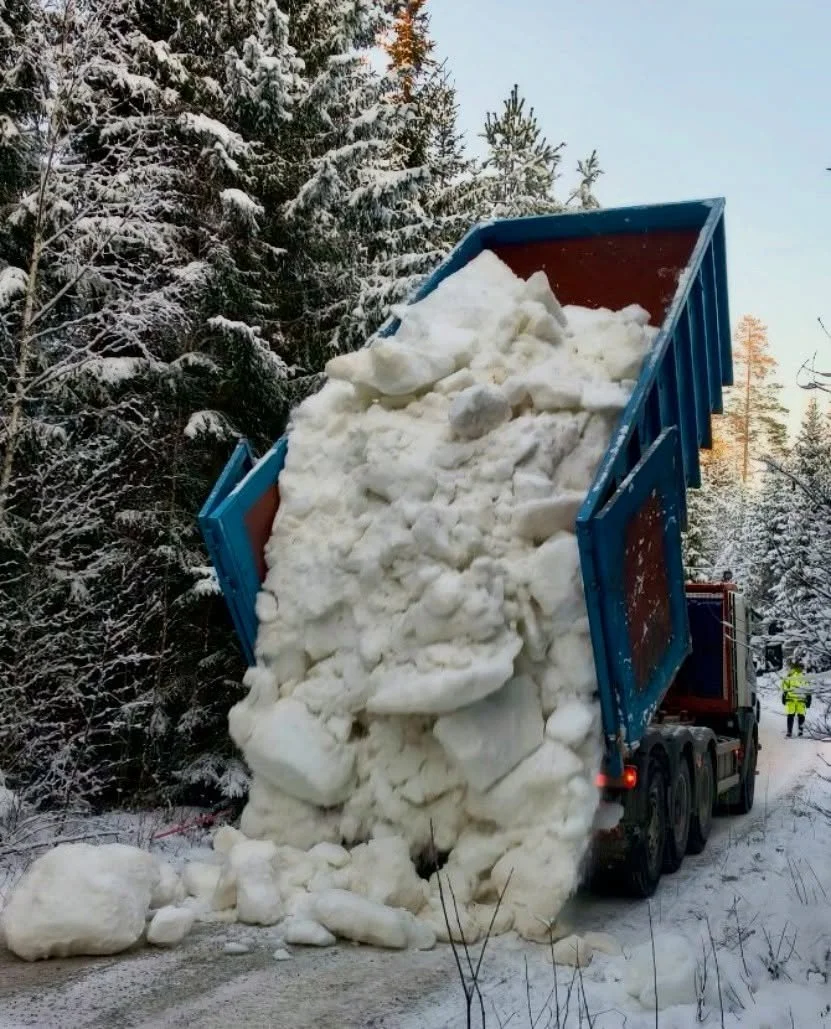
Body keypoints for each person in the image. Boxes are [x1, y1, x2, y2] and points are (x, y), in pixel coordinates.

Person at [782, 661, 812, 737]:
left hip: (791, 699)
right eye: (801, 667)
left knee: (790, 716)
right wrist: (809, 698)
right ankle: (800, 732)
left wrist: (784, 696)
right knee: (801, 716)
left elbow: (784, 687)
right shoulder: (804, 677)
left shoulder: (790, 675)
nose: (801, 669)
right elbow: (808, 689)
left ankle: (789, 732)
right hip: (801, 700)